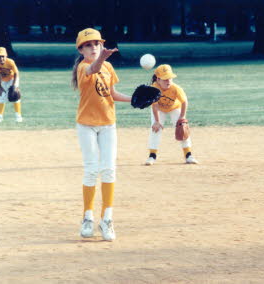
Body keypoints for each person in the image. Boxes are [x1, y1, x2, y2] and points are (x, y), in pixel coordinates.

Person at [71, 28, 131, 241]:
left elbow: (112, 94)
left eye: (96, 44)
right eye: (88, 45)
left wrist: (133, 99)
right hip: (86, 125)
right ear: (81, 49)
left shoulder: (108, 67)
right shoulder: (83, 67)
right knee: (91, 170)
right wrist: (102, 58)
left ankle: (107, 218)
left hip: (108, 124)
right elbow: (92, 70)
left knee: (108, 169)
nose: (93, 47)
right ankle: (87, 217)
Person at [145, 64, 198, 166]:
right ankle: (152, 156)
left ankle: (188, 155)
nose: (168, 81)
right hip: (159, 110)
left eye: (170, 78)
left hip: (175, 108)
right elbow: (155, 106)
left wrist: (182, 117)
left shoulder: (175, 88)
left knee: (182, 128)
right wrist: (156, 121)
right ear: (158, 79)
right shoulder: (154, 89)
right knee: (156, 129)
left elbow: (184, 102)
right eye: (165, 79)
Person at [0, 47, 23, 122]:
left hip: (12, 78)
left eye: (3, 56)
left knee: (15, 96)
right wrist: (0, 87)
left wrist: (14, 86)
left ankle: (18, 116)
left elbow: (16, 73)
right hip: (2, 80)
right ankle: (0, 116)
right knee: (1, 97)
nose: (1, 58)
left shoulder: (10, 62)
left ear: (6, 55)